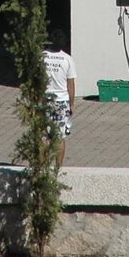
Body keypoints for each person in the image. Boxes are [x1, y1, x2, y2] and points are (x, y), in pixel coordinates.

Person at [42, 27, 76, 168]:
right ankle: (57, 169)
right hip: (61, 102)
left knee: (43, 136)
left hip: (45, 100)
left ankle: (43, 167)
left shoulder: (42, 56)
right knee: (60, 137)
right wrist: (72, 104)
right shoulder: (67, 60)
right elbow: (71, 85)